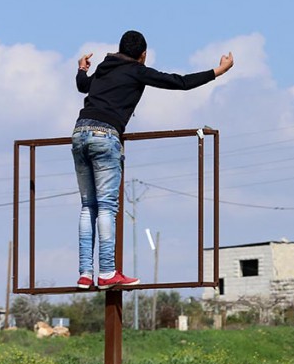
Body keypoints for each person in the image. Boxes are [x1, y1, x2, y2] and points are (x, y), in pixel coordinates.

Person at [73, 30, 233, 289]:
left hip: (79, 133)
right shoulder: (137, 71)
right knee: (106, 206)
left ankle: (84, 273)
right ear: (143, 55)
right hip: (105, 135)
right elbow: (179, 82)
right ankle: (106, 273)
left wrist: (82, 70)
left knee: (87, 206)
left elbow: (83, 86)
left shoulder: (104, 67)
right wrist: (218, 71)